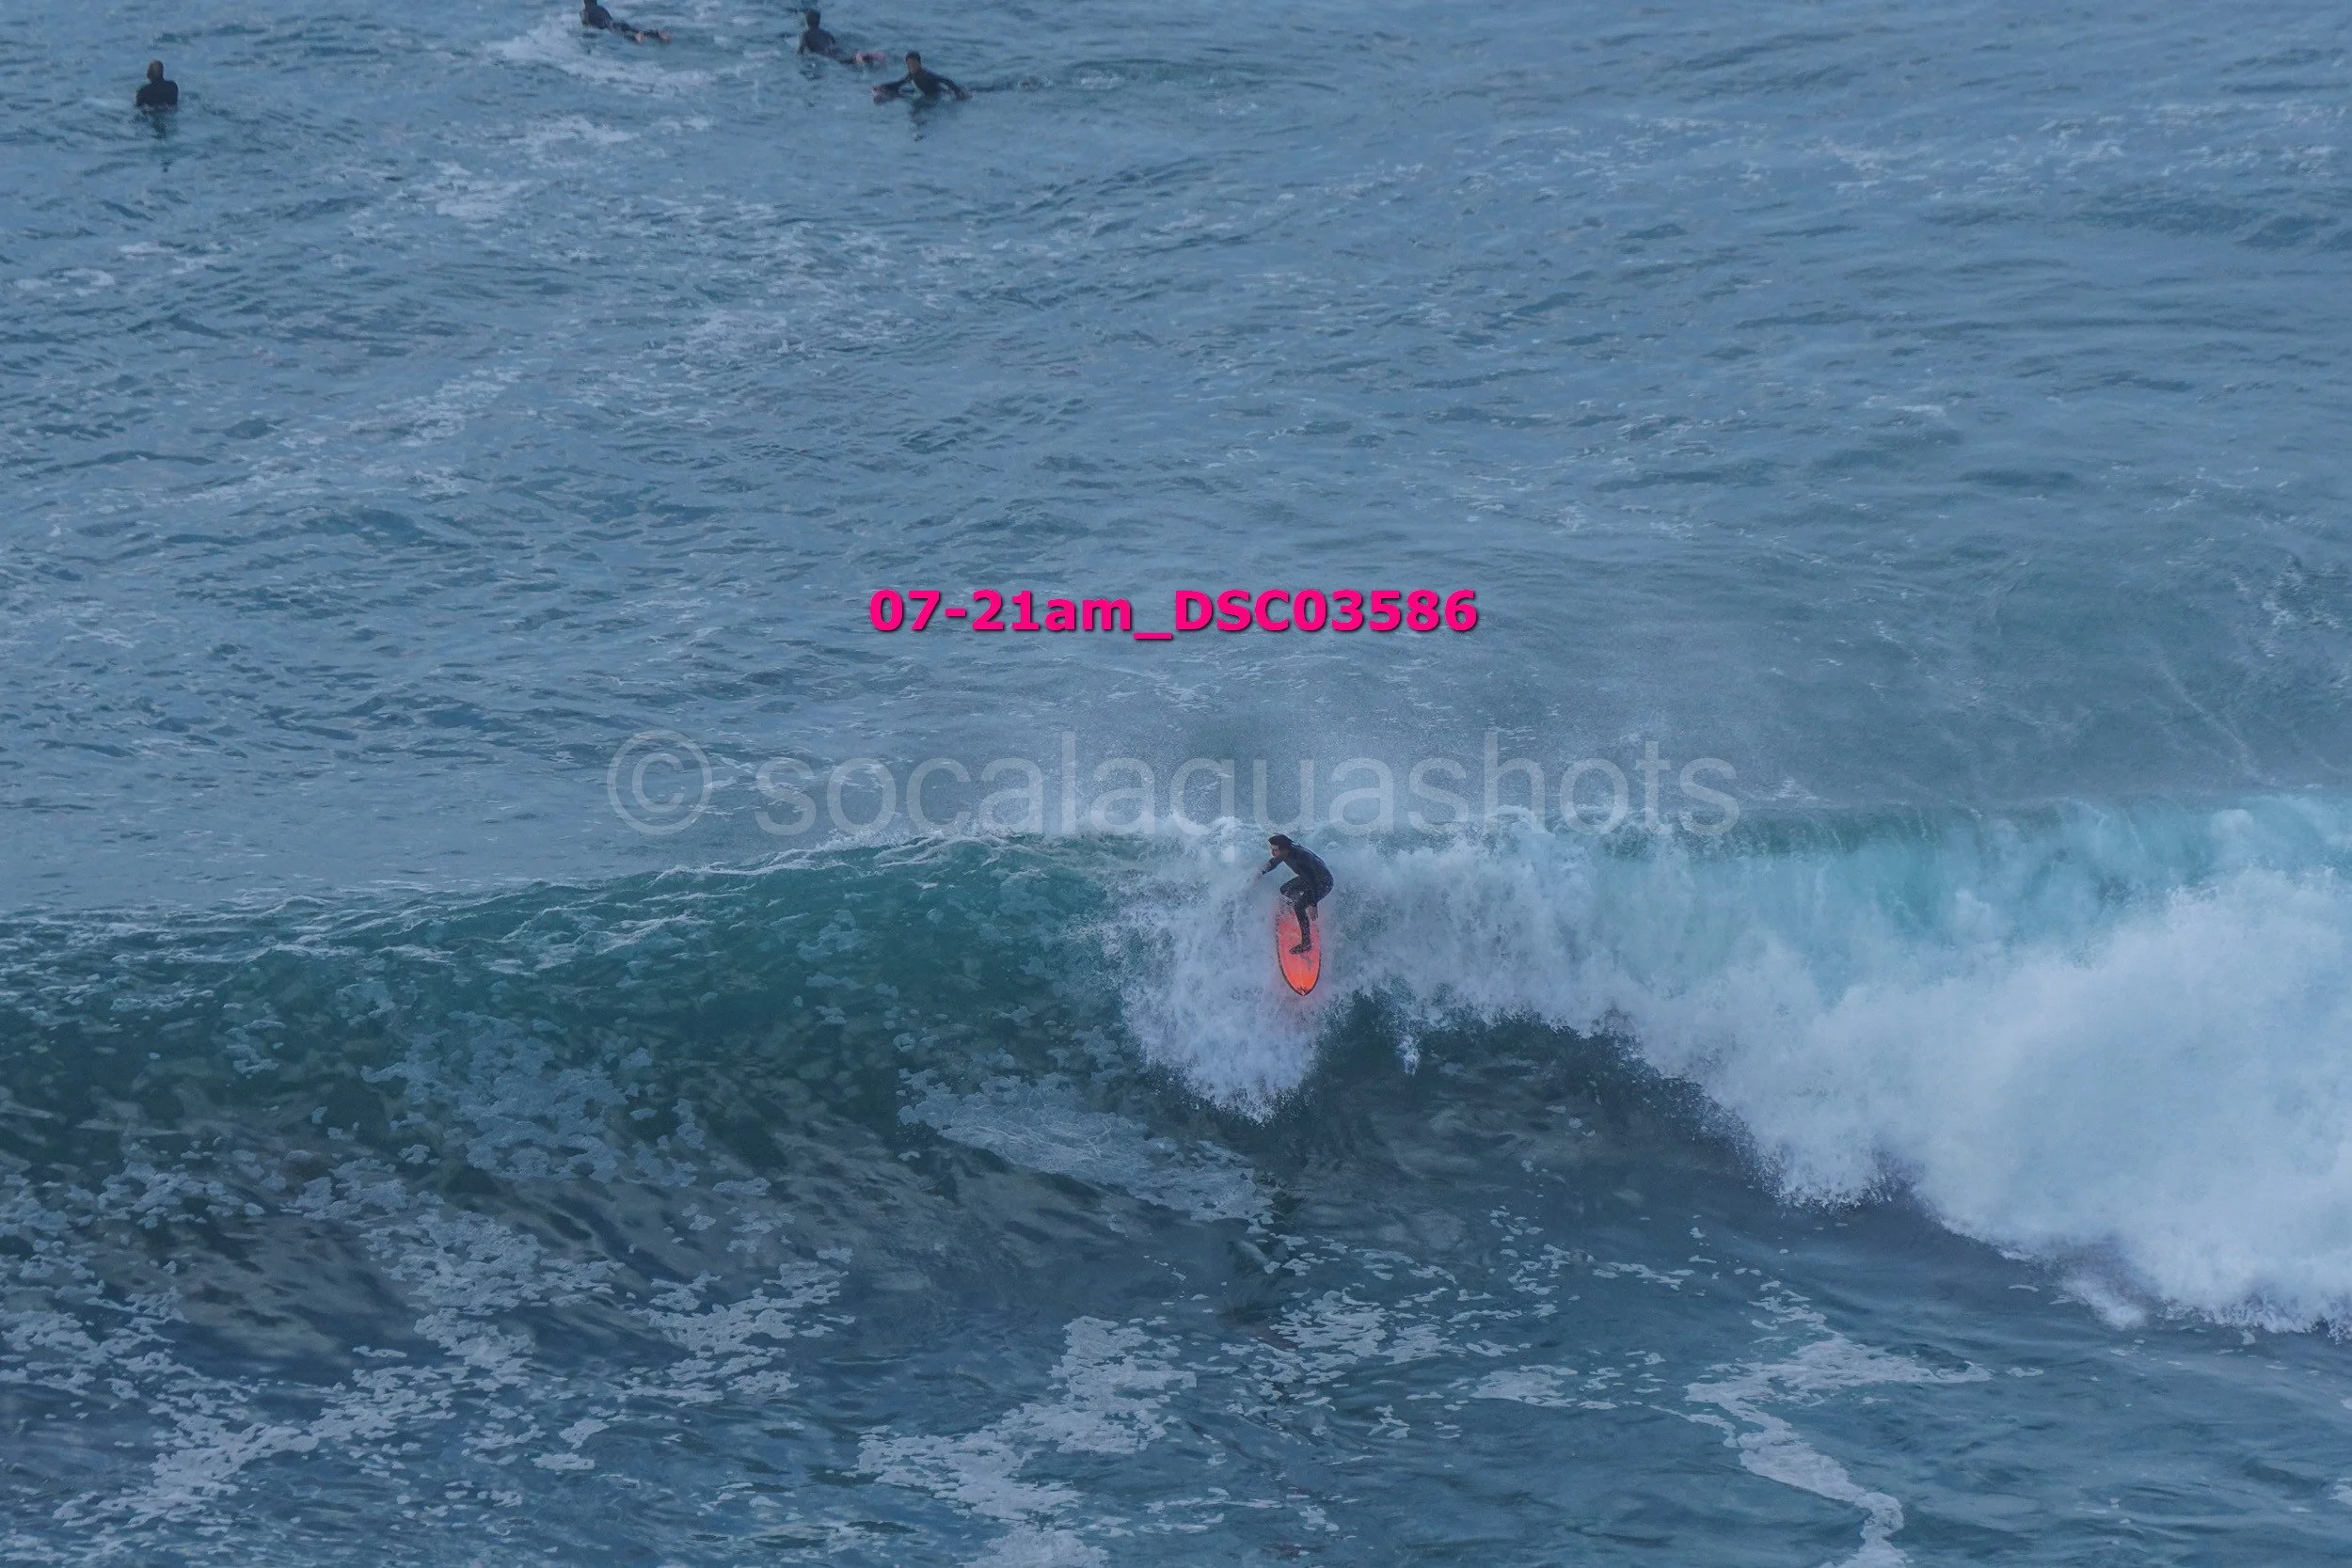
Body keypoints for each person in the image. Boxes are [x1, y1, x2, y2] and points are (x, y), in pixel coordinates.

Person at [1260, 833, 1333, 955]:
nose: (1272, 852)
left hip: (1322, 882)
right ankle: (1297, 909)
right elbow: (1273, 863)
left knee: (1299, 906)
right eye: (1271, 849)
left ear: (1285, 850)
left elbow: (1314, 881)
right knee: (1285, 890)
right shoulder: (1285, 852)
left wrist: (1313, 904)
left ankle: (1306, 944)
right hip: (1307, 878)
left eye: (1275, 850)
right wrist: (1259, 873)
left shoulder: (1300, 860)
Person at [797, 9, 886, 66]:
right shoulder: (827, 33)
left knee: (846, 61)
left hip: (825, 54)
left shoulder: (805, 34)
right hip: (834, 50)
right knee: (845, 57)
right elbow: (834, 43)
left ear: (807, 21)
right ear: (819, 21)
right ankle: (868, 55)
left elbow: (800, 52)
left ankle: (859, 57)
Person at [871, 51, 967, 102]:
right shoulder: (912, 75)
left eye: (914, 63)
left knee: (898, 95)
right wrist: (882, 86)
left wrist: (957, 91)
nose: (911, 65)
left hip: (938, 94)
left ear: (919, 63)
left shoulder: (926, 74)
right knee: (893, 91)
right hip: (922, 93)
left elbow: (945, 80)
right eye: (909, 63)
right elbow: (899, 84)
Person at [581, 0, 669, 44]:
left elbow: (586, 26)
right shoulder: (600, 7)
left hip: (610, 26)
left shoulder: (585, 12)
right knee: (633, 30)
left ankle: (636, 38)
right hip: (617, 23)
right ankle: (656, 34)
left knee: (625, 35)